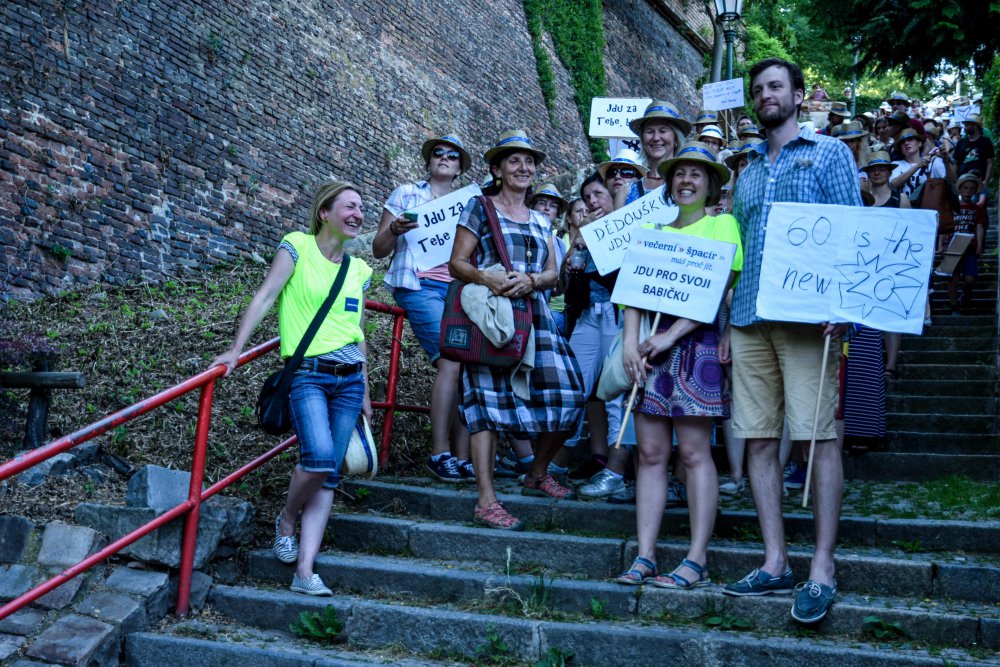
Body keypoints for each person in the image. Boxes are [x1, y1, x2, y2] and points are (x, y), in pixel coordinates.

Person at [721, 57, 863, 624]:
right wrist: (727, 319)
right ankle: (775, 561)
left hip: (808, 319)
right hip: (749, 318)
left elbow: (853, 230)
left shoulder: (829, 153)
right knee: (758, 440)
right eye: (758, 89)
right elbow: (738, 247)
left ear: (799, 96)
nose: (765, 95)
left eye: (775, 86)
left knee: (817, 438)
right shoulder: (747, 169)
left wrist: (845, 309)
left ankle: (822, 565)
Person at [211, 181, 374, 596]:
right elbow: (266, 296)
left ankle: (304, 571)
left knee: (329, 475)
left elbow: (358, 333)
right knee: (318, 459)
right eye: (349, 206)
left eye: (360, 208)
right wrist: (235, 350)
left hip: (350, 381)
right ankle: (286, 520)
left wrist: (366, 388)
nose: (357, 214)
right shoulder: (297, 246)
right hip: (309, 374)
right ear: (324, 213)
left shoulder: (359, 270)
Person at [614, 143, 742, 589]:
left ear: (710, 184)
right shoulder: (652, 229)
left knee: (693, 452)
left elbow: (719, 288)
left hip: (695, 344)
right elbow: (633, 292)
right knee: (650, 453)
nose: (687, 181)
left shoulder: (723, 224)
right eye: (680, 174)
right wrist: (630, 345)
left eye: (696, 174)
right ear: (669, 183)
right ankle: (645, 555)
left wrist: (670, 336)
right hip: (650, 344)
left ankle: (696, 558)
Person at [448, 130, 585, 530]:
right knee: (487, 405)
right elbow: (457, 262)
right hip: (493, 317)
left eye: (529, 162)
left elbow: (553, 274)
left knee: (570, 395)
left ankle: (537, 473)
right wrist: (486, 277)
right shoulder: (479, 207)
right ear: (497, 169)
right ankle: (486, 500)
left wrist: (533, 281)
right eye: (514, 161)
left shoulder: (542, 221)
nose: (524, 167)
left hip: (535, 316)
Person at [373, 134, 475, 483]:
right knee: (451, 360)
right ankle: (439, 453)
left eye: (452, 155)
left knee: (467, 367)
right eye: (438, 153)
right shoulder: (406, 194)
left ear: (459, 168)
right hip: (419, 286)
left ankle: (463, 458)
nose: (444, 157)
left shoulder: (469, 202)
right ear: (429, 161)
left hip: (459, 290)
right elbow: (378, 249)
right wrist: (395, 229)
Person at [562, 173, 629, 497]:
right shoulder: (585, 234)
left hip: (617, 317)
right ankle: (558, 460)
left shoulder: (624, 230)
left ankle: (616, 470)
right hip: (588, 317)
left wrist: (596, 246)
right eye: (587, 197)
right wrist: (576, 250)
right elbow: (571, 291)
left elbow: (620, 280)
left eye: (598, 194)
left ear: (613, 196)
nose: (591, 201)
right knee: (571, 385)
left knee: (615, 393)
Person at [614, 100, 691, 210]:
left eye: (663, 131)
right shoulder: (626, 192)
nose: (656, 138)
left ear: (676, 139)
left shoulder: (689, 184)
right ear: (642, 139)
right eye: (650, 131)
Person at [949, 173, 987, 314]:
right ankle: (954, 307)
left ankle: (966, 292)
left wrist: (979, 247)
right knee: (953, 279)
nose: (968, 191)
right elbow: (946, 226)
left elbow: (979, 227)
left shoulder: (977, 209)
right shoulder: (953, 207)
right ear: (960, 189)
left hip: (970, 247)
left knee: (970, 278)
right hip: (953, 246)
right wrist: (941, 244)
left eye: (972, 189)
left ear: (975, 191)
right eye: (965, 188)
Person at [889, 128, 955, 197]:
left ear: (920, 143)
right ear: (900, 149)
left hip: (928, 203)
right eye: (902, 142)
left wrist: (946, 162)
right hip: (904, 203)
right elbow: (893, 185)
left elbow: (951, 181)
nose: (906, 143)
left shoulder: (933, 162)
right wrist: (918, 165)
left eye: (910, 140)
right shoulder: (896, 164)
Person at [954, 114, 994, 195]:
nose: (964, 128)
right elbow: (955, 163)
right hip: (963, 183)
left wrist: (986, 181)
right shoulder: (961, 142)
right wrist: (956, 180)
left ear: (975, 126)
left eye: (967, 125)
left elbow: (990, 163)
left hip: (979, 183)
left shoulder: (986, 142)